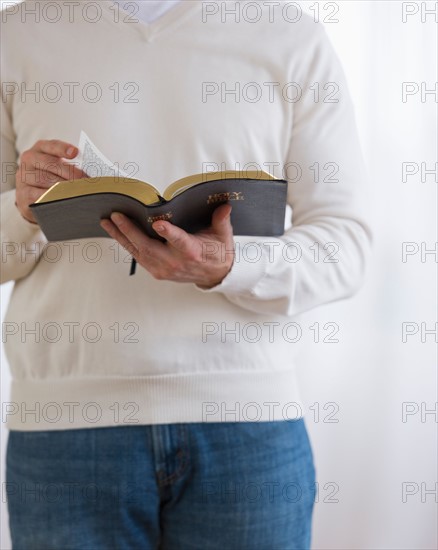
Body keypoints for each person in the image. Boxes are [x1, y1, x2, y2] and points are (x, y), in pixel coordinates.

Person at [1, 1, 372, 548]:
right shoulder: (16, 36)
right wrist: (22, 210)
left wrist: (230, 266)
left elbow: (348, 246)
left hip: (247, 427)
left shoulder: (290, 35)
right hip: (65, 431)